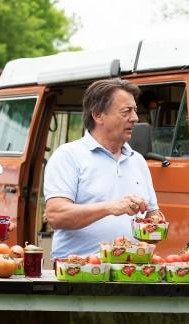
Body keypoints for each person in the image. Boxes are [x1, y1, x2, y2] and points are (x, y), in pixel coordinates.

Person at [44, 79, 160, 259]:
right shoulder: (68, 155)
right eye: (126, 111)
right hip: (81, 273)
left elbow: (153, 216)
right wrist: (110, 207)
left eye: (135, 110)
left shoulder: (138, 160)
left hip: (131, 271)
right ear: (98, 115)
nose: (135, 118)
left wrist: (155, 225)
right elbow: (56, 215)